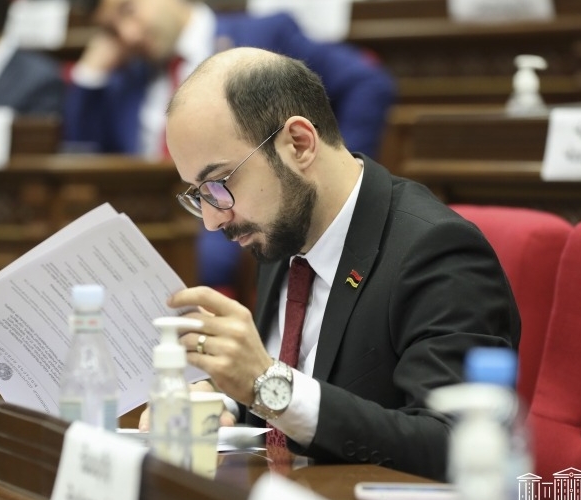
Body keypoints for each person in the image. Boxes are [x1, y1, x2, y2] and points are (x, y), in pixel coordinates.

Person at [152, 47, 520, 481]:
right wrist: (218, 397)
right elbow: (290, 380)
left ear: (299, 144)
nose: (213, 220)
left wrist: (268, 385)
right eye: (199, 195)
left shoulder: (438, 251)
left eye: (218, 183)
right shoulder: (280, 231)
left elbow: (454, 445)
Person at [64, 0, 396, 298]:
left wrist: (332, 171)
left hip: (234, 219)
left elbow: (368, 83)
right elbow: (81, 156)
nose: (128, 34)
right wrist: (89, 76)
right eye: (111, 30)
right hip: (159, 222)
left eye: (128, 10)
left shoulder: (264, 35)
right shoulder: (128, 76)